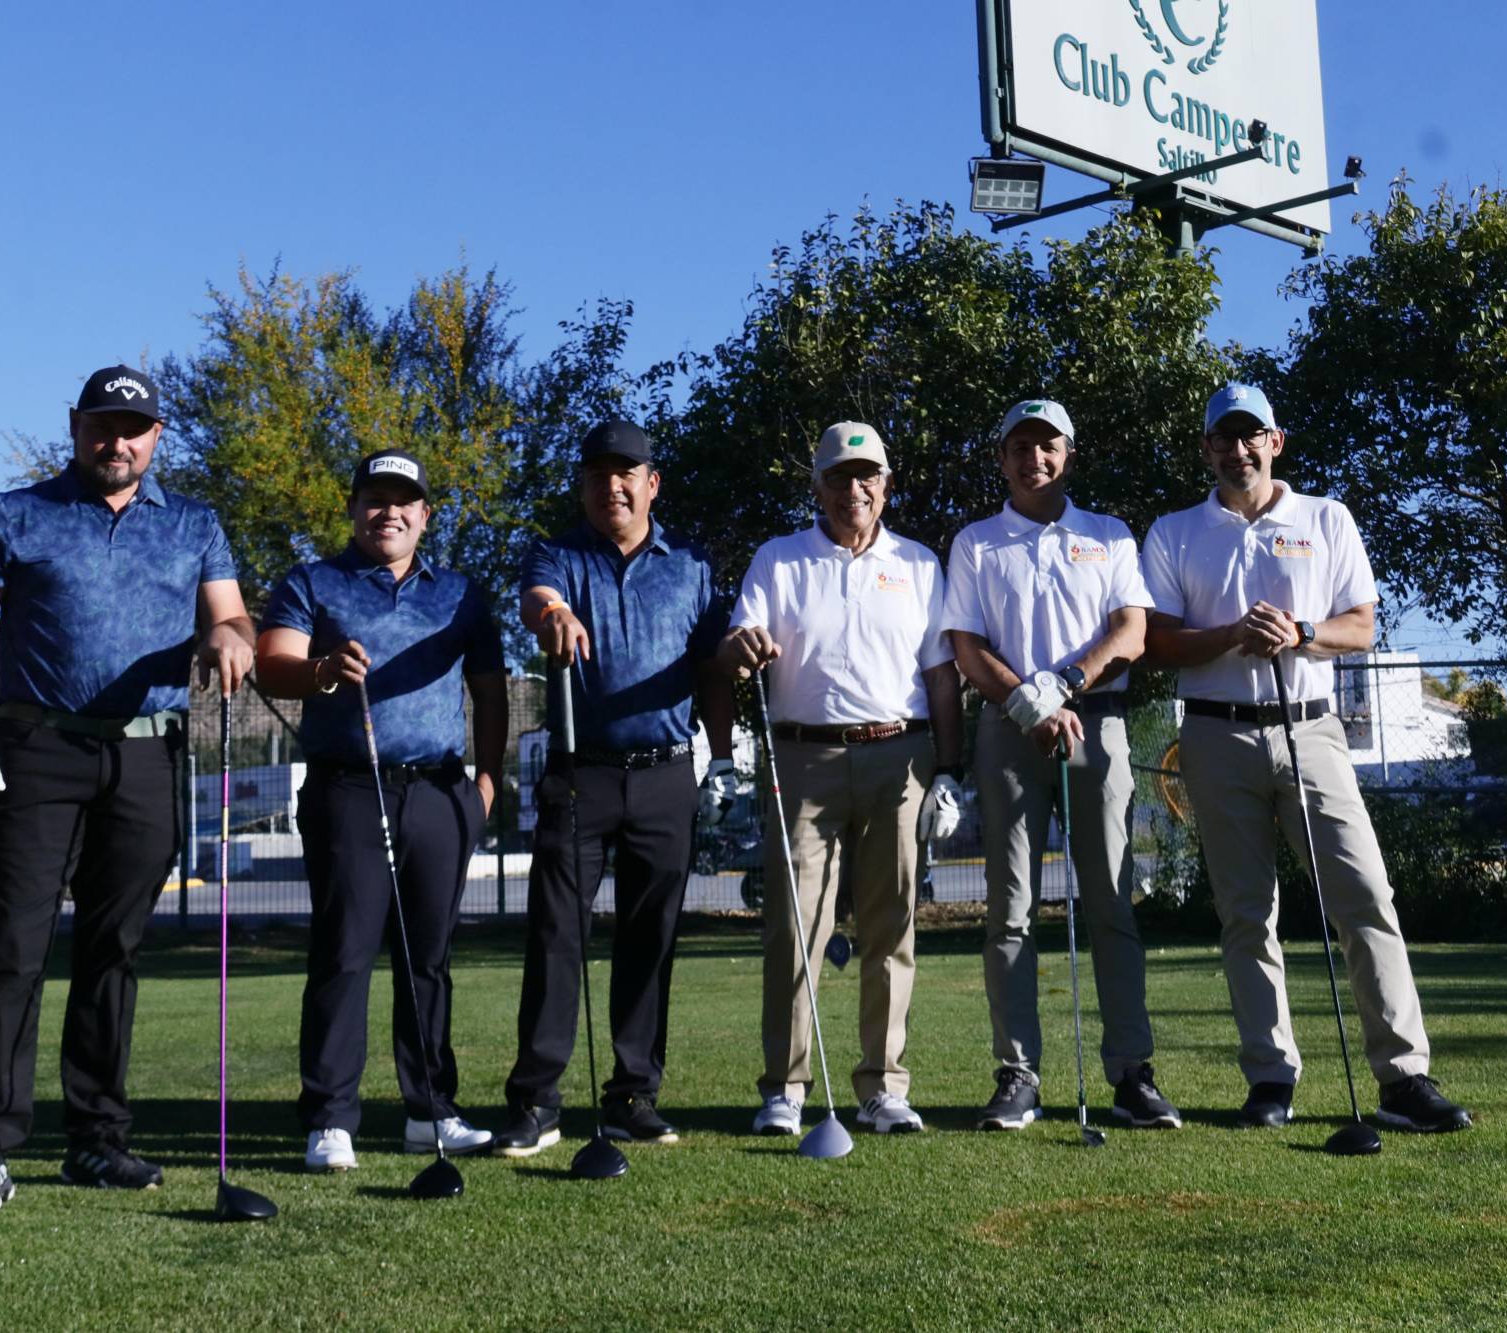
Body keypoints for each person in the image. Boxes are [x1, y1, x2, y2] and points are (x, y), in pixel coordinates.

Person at [0, 364, 254, 1217]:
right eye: (103, 425)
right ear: (75, 426)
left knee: (115, 950)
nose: (118, 441)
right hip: (39, 751)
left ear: (157, 437)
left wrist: (229, 637)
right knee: (15, 949)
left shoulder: (194, 523)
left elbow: (231, 615)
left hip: (147, 757)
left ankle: (96, 1138)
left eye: (135, 427)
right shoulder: (17, 513)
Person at [1139, 382, 1472, 1133]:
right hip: (1216, 734)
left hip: (1312, 728)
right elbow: (1157, 642)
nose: (1238, 449)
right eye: (1223, 437)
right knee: (1245, 912)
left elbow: (1360, 624)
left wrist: (1301, 631)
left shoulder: (1326, 517)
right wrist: (1230, 634)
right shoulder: (1175, 531)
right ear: (1206, 448)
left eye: (1251, 435)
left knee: (1364, 895)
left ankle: (1403, 1076)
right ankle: (1270, 1077)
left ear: (1275, 441)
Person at [256, 449, 507, 1171]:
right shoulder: (312, 581)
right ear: (353, 506)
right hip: (348, 789)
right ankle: (331, 1116)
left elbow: (490, 693)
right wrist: (321, 672)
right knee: (344, 952)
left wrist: (484, 788)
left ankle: (430, 1109)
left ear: (425, 514)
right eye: (375, 497)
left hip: (438, 790)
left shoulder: (461, 592)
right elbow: (273, 663)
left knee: (427, 957)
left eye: (405, 500)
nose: (389, 511)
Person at [493, 419, 734, 1155]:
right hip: (580, 772)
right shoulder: (558, 554)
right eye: (598, 474)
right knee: (557, 933)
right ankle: (537, 1100)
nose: (613, 486)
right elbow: (538, 599)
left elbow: (715, 667)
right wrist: (554, 612)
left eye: (626, 473)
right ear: (585, 485)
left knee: (651, 938)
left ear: (651, 483)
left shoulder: (692, 564)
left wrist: (721, 758)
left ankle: (634, 1093)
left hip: (666, 773)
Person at [942, 398, 1181, 1132]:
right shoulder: (977, 542)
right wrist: (1027, 703)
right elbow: (967, 645)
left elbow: (1131, 630)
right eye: (1019, 446)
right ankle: (1018, 1072)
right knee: (1009, 909)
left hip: (1096, 725)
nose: (1033, 458)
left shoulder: (1106, 535)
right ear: (1003, 456)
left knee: (1111, 901)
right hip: (1009, 732)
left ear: (1068, 453)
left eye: (1046, 446)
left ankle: (1131, 1073)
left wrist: (1067, 684)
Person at [721, 422, 964, 1136]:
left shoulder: (919, 563)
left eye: (867, 476)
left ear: (886, 485)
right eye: (838, 476)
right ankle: (785, 1087)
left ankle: (884, 1086)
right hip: (803, 759)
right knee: (794, 927)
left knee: (891, 927)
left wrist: (949, 769)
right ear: (817, 485)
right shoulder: (779, 559)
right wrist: (741, 647)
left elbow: (941, 677)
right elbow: (740, 648)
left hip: (901, 756)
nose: (853, 489)